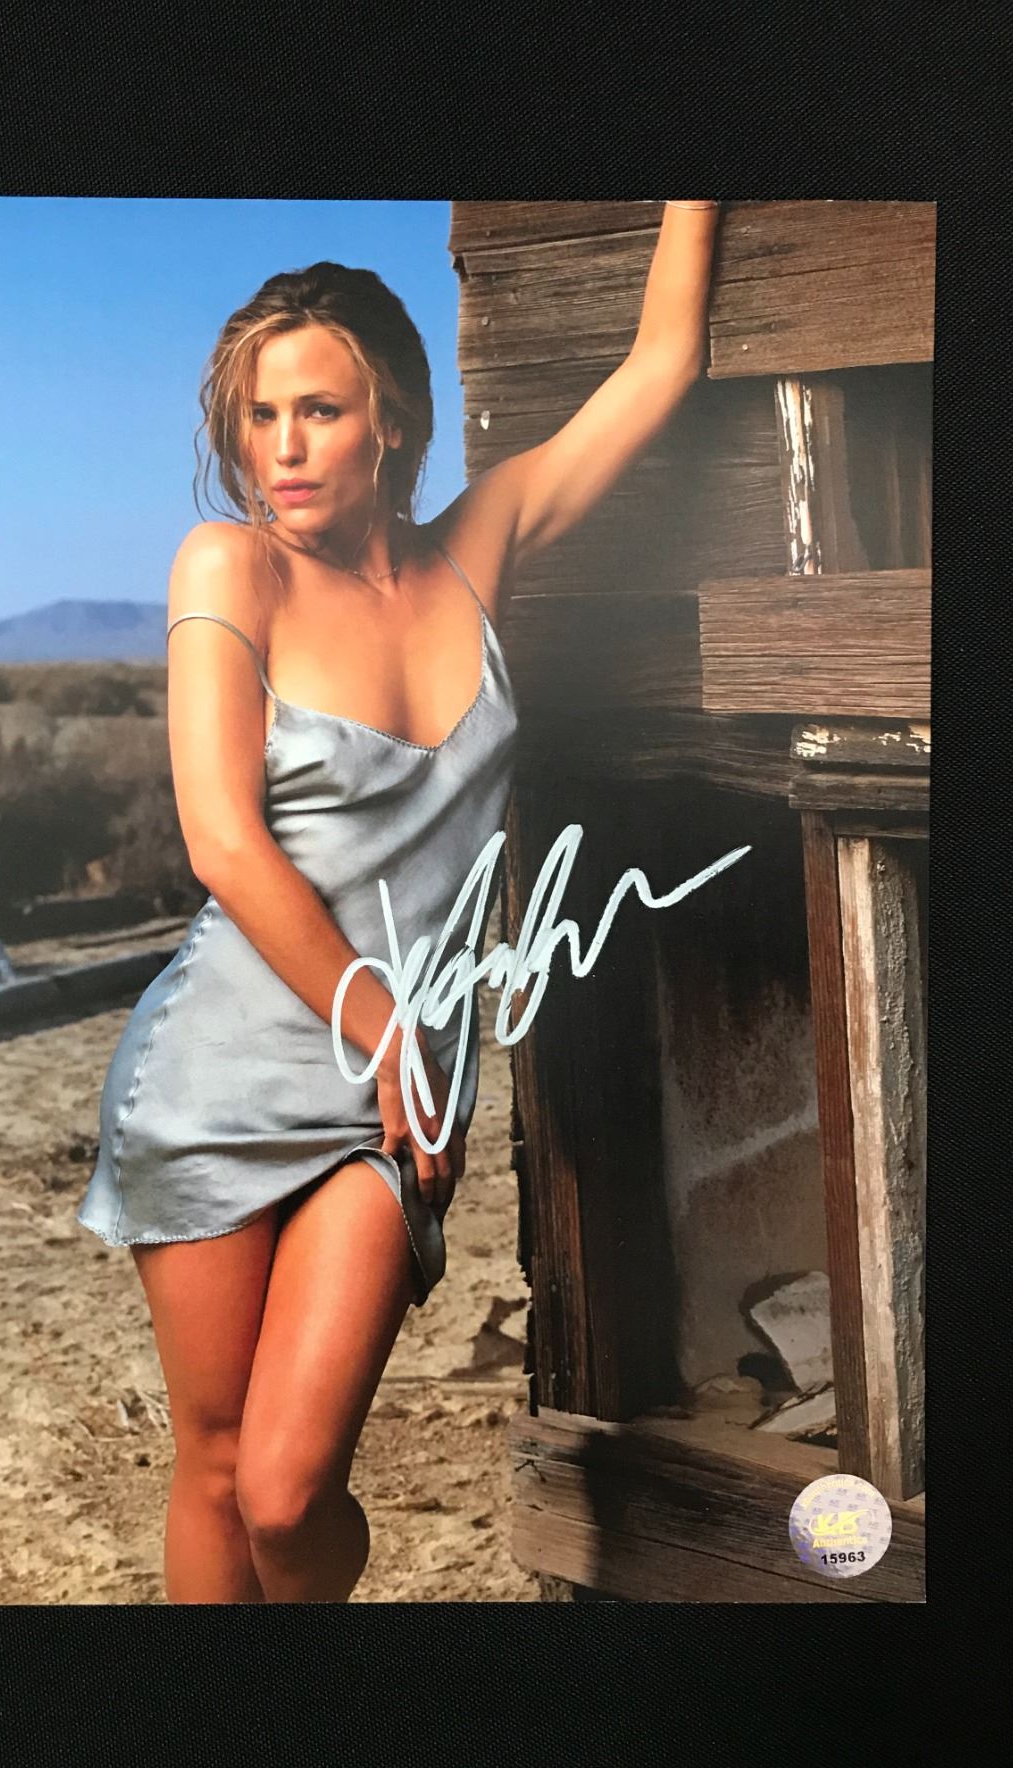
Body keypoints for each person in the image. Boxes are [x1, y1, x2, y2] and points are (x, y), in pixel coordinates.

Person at [77, 202, 721, 1603]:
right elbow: (222, 843)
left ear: (392, 422)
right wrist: (391, 1037)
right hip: (223, 1074)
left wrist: (699, 188)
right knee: (214, 1466)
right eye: (259, 416)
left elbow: (660, 365)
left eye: (319, 410)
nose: (283, 447)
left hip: (392, 1099)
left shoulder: (474, 551)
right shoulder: (229, 565)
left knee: (289, 1489)